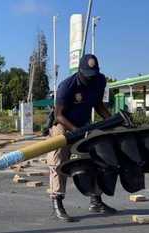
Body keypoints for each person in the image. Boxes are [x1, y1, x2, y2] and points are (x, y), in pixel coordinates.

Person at [47, 54, 116, 222]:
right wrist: (77, 131)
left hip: (84, 124)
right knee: (58, 160)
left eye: (92, 75)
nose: (89, 79)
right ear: (79, 71)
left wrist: (112, 120)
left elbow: (98, 104)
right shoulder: (67, 86)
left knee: (96, 157)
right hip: (63, 124)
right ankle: (57, 202)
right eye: (87, 75)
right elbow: (58, 115)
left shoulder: (100, 81)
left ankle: (96, 200)